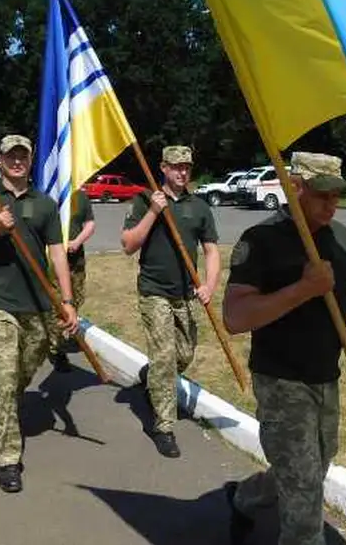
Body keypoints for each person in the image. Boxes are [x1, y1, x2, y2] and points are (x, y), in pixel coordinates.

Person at [221, 152, 346, 545]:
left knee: (307, 470)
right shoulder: (262, 240)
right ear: (295, 189)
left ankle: (244, 498)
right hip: (280, 382)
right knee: (306, 504)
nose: (333, 205)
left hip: (326, 379)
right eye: (322, 195)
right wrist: (303, 290)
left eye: (337, 196)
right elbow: (235, 316)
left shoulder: (342, 239)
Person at [0, 134, 79, 493]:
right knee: (7, 375)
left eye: (23, 155)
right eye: (11, 155)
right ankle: (8, 458)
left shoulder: (45, 204)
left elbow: (57, 252)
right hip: (0, 303)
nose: (17, 161)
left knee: (24, 371)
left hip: (39, 305)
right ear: (1, 158)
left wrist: (67, 301)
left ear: (30, 159)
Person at [120, 145, 220, 459]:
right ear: (163, 167)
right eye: (175, 166)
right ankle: (163, 425)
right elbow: (128, 245)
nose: (182, 172)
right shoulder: (144, 200)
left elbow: (212, 251)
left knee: (185, 352)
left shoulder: (199, 207)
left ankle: (154, 377)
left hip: (186, 294)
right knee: (164, 356)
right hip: (154, 291)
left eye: (187, 167)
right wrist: (153, 211)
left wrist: (209, 285)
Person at [48, 188, 96, 373]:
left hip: (76, 263)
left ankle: (58, 337)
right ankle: (56, 349)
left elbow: (90, 224)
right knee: (58, 307)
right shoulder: (48, 191)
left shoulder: (80, 196)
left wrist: (77, 241)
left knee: (75, 301)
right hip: (52, 265)